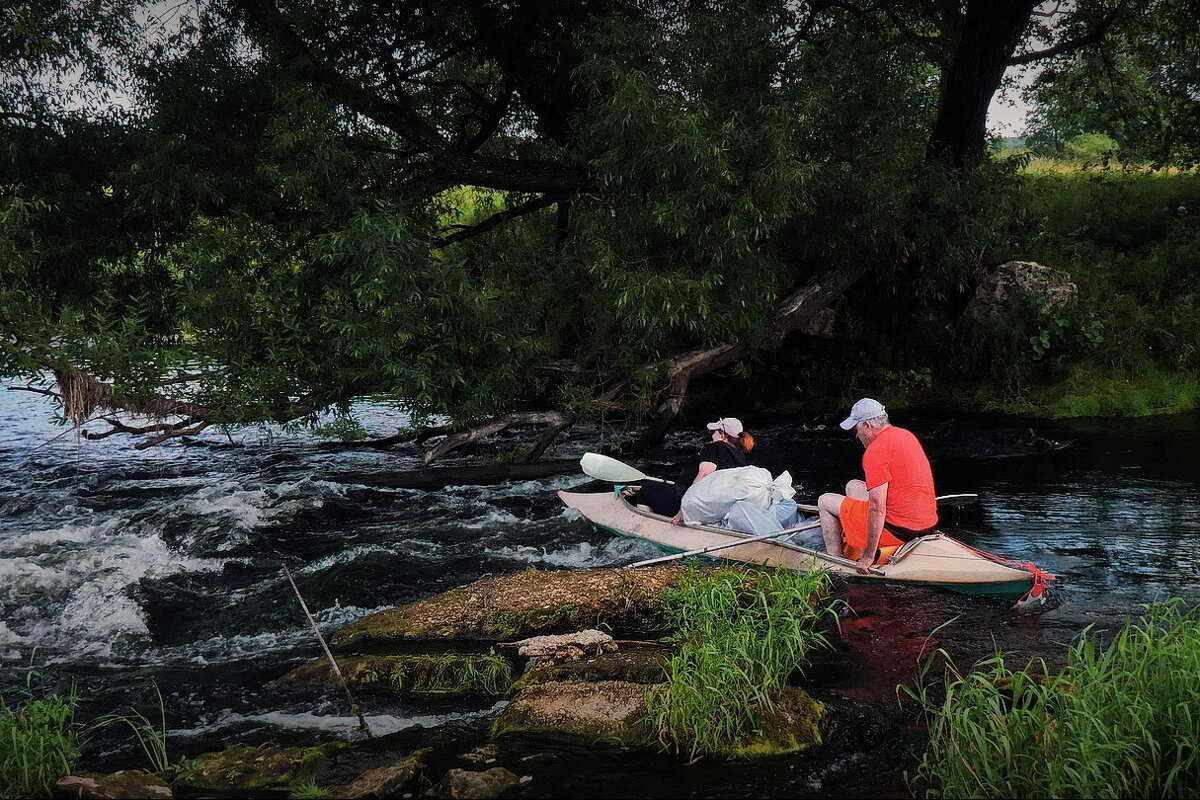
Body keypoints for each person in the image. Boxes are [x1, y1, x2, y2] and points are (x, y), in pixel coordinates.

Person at [816, 398, 938, 573]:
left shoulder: (875, 451)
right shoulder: (905, 435)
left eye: (857, 429)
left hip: (899, 530)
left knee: (825, 501)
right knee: (853, 486)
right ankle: (855, 535)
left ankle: (835, 563)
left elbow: (877, 508)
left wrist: (868, 556)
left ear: (867, 425)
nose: (857, 436)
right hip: (927, 523)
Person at [632, 417, 755, 521]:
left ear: (722, 434)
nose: (712, 434)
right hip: (716, 505)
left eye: (715, 431)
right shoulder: (740, 456)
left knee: (646, 490)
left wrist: (685, 509)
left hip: (687, 501)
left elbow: (704, 475)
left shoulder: (713, 448)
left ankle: (647, 527)